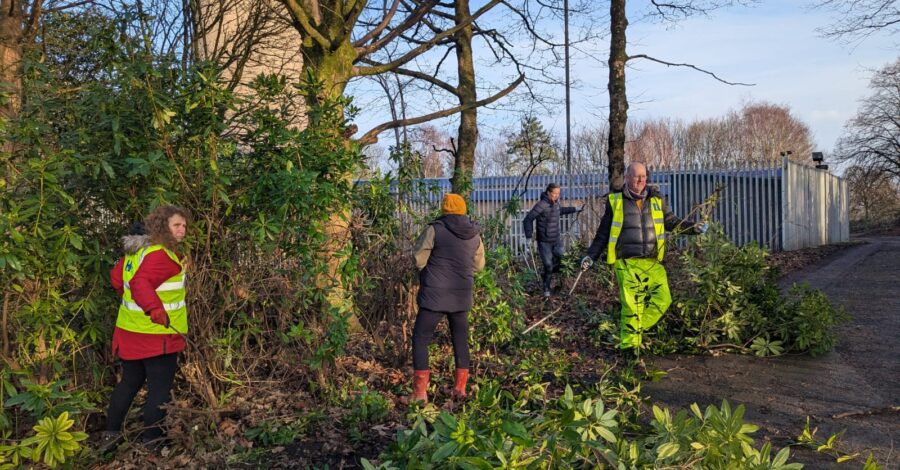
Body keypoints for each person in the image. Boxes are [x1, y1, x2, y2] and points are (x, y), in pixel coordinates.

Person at [581, 163, 706, 355]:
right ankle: (629, 351)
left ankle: (633, 333)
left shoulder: (657, 200)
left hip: (653, 262)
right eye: (636, 176)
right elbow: (603, 234)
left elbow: (671, 222)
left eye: (644, 176)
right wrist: (591, 256)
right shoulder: (616, 201)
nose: (641, 180)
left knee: (663, 300)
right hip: (627, 263)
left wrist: (693, 228)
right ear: (627, 178)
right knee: (632, 307)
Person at [100, 205, 191, 451]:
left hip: (129, 332)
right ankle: (153, 441)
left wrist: (133, 301)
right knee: (159, 391)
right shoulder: (160, 255)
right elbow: (140, 283)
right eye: (176, 225)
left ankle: (110, 434)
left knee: (129, 383)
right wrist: (155, 311)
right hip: (157, 335)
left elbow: (117, 279)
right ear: (163, 227)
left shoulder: (136, 253)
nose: (182, 230)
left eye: (183, 225)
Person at [408, 193, 485, 403]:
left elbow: (418, 259)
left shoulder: (435, 229)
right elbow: (479, 266)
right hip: (461, 295)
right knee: (460, 339)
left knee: (421, 339)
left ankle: (420, 394)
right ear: (463, 209)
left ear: (444, 209)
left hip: (435, 294)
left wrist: (428, 273)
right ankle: (460, 389)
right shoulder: (475, 234)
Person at [522, 183, 581, 298]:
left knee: (564, 261)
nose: (556, 196)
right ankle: (546, 289)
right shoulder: (542, 205)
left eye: (558, 194)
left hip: (556, 241)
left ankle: (545, 275)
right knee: (548, 265)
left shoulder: (556, 204)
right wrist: (529, 237)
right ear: (548, 192)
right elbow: (527, 219)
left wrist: (575, 209)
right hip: (544, 243)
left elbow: (560, 210)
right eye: (554, 193)